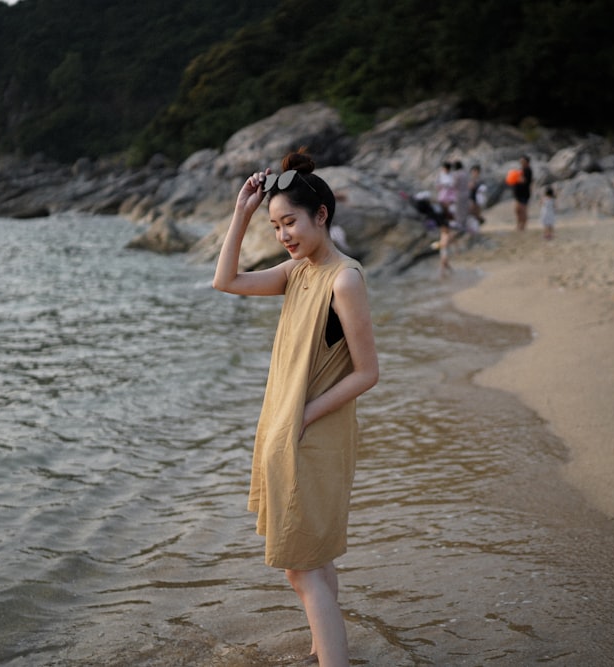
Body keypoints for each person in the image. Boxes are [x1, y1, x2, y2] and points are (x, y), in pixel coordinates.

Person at [212, 149, 379, 667]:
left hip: (313, 436)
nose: (283, 234)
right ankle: (321, 650)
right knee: (316, 561)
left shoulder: (342, 279)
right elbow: (227, 280)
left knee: (301, 569)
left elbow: (367, 372)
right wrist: (241, 215)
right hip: (294, 433)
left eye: (290, 223)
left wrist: (304, 416)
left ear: (321, 216)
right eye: (275, 225)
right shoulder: (297, 270)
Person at [512, 155, 533, 231]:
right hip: (518, 193)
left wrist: (516, 177)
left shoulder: (528, 170)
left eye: (523, 161)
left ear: (526, 162)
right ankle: (518, 224)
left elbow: (525, 181)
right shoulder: (521, 170)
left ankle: (523, 226)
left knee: (523, 210)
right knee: (517, 210)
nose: (521, 162)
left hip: (524, 193)